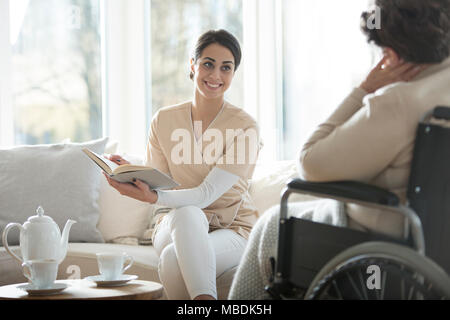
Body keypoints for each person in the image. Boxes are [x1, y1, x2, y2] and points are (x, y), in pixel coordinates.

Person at [228, 0, 450, 299]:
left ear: (393, 54)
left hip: (384, 241)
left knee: (269, 224)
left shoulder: (399, 102)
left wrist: (364, 90)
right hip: (439, 245)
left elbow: (309, 161)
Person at [104, 29, 262, 300]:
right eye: (208, 64)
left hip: (233, 230)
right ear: (193, 64)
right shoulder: (163, 120)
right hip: (173, 221)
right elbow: (159, 181)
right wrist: (133, 173)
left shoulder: (245, 127)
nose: (215, 76)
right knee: (188, 214)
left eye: (226, 68)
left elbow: (206, 195)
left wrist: (153, 196)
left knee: (173, 259)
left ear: (234, 73)